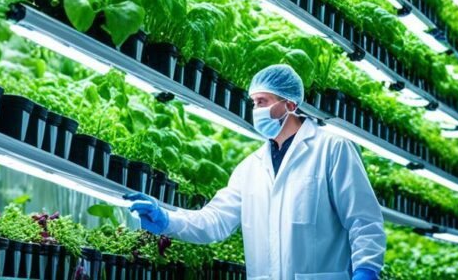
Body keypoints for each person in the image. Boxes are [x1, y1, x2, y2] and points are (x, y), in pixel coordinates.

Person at [127, 64, 386, 280]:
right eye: (254, 103)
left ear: (290, 104)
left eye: (263, 101)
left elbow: (363, 219)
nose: (256, 111)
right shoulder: (250, 167)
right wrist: (167, 220)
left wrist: (366, 269)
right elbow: (215, 221)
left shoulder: (332, 150)